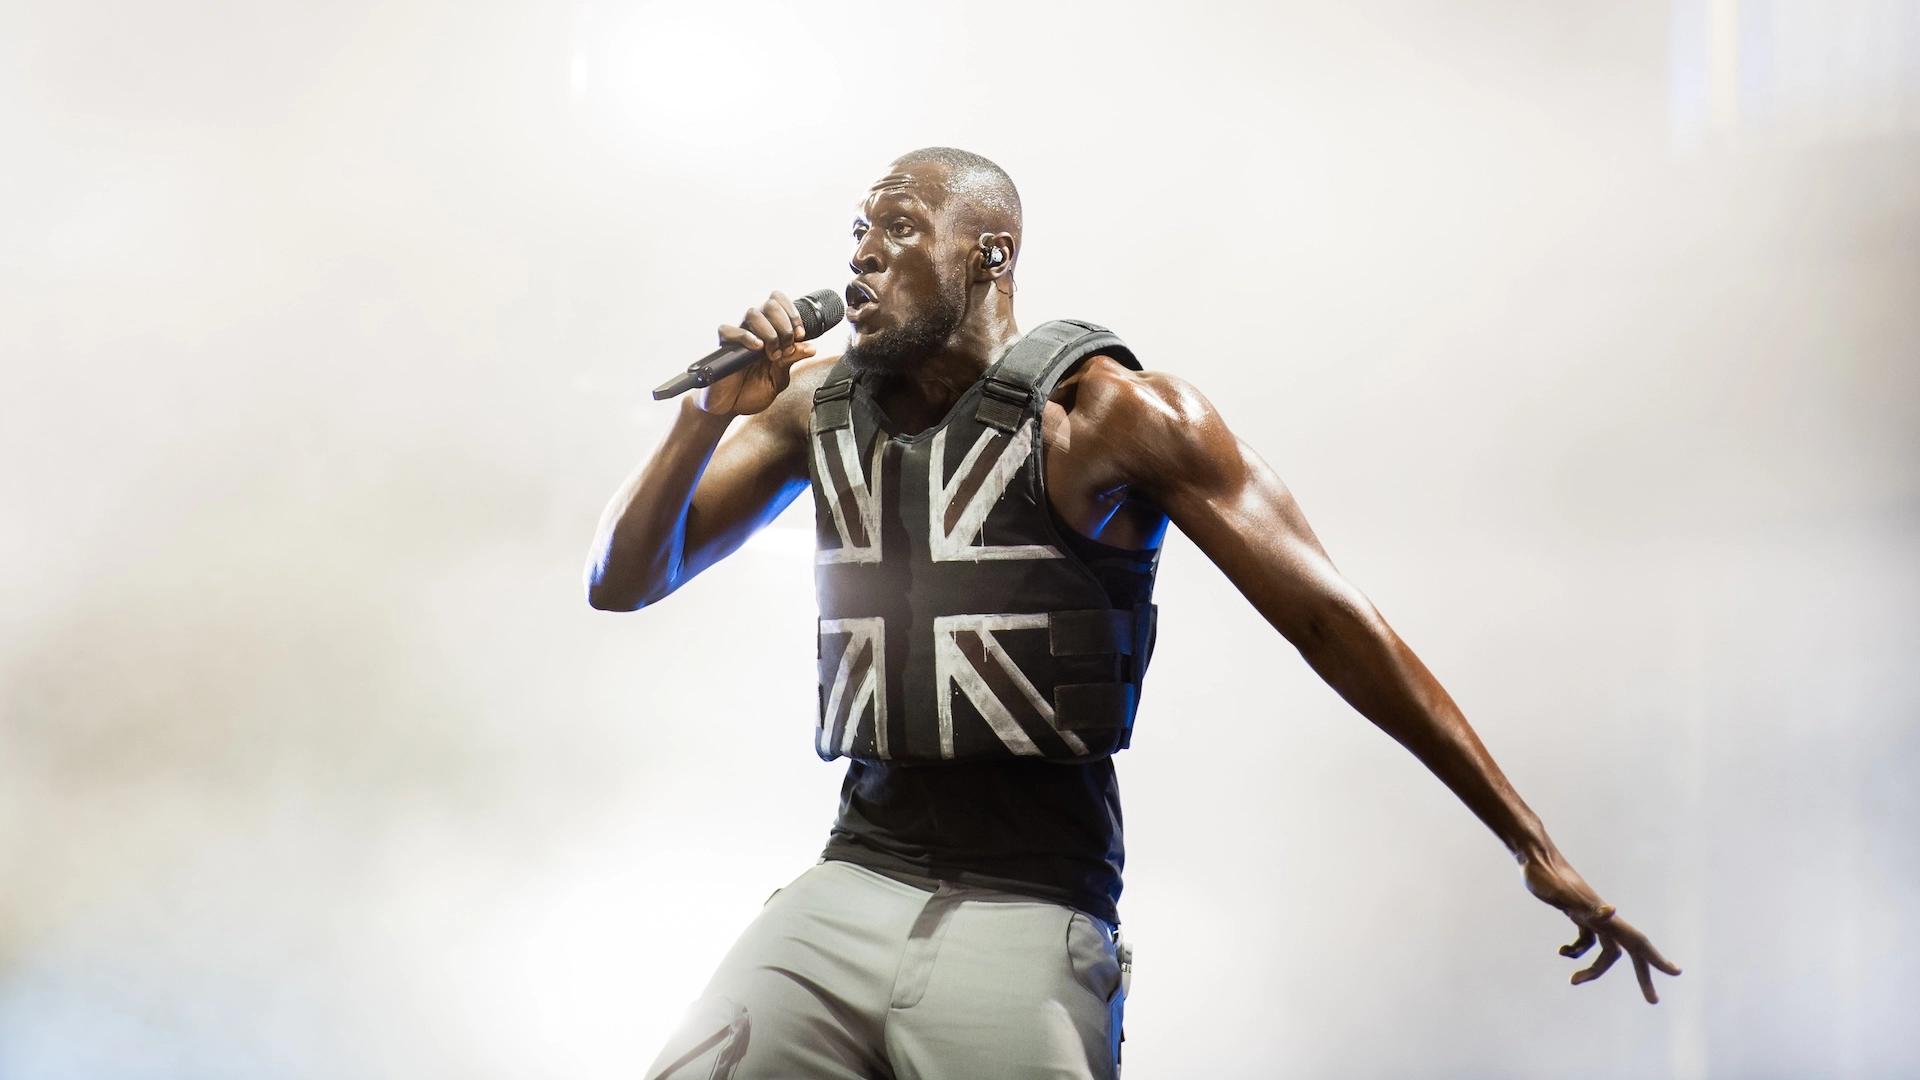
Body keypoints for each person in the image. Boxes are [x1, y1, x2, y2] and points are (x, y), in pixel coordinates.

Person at [586, 147, 1678, 1080]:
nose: (863, 254)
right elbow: (622, 578)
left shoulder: (1115, 416)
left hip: (1027, 906)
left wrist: (1528, 841)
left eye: (900, 228)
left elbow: (1333, 623)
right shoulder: (810, 407)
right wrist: (702, 417)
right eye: (858, 231)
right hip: (853, 873)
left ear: (990, 255)